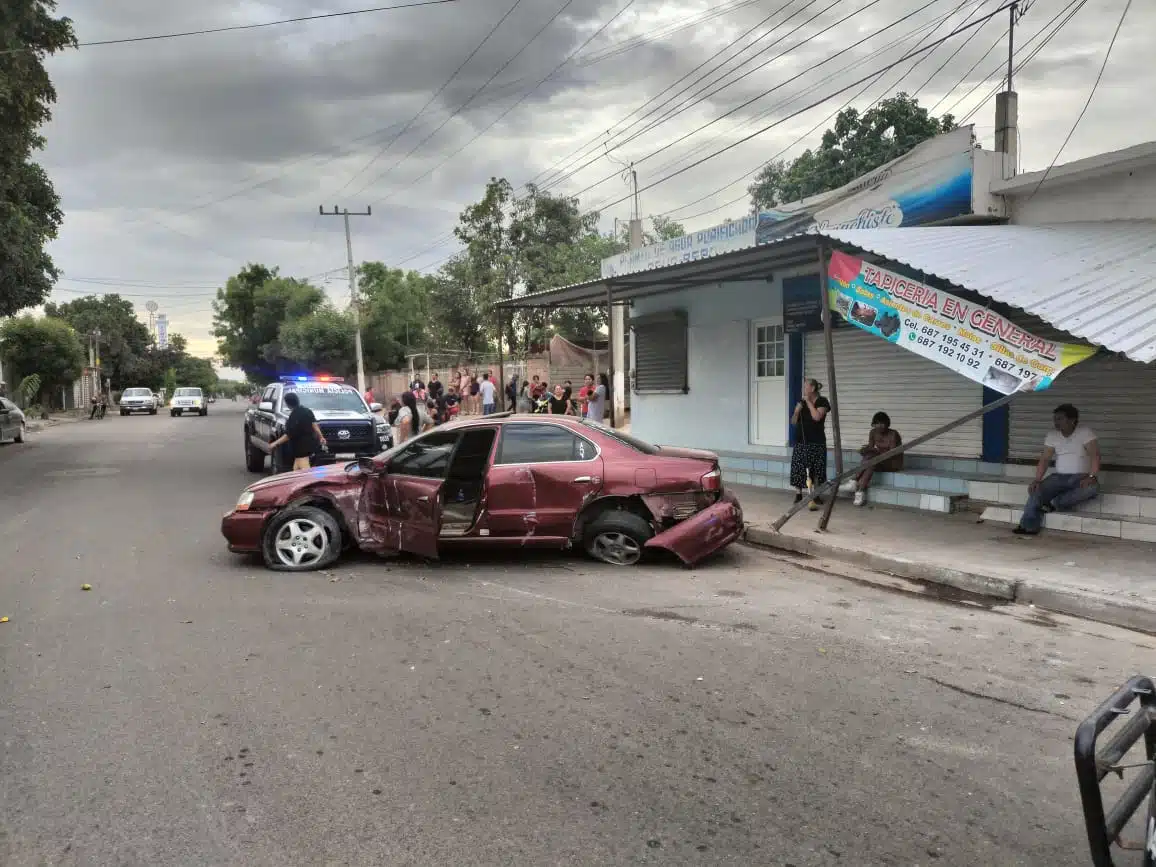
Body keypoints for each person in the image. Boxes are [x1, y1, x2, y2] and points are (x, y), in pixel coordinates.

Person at [1014, 403, 1101, 536]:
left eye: (1060, 419)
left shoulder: (1085, 433)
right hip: (1058, 478)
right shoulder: (1052, 435)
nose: (1056, 422)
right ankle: (1028, 526)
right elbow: (1044, 459)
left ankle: (1055, 503)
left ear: (1072, 420)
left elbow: (1095, 455)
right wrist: (1037, 480)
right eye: (1055, 419)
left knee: (1092, 489)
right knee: (1036, 490)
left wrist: (1091, 476)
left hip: (1080, 477)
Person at [841, 412, 903, 507]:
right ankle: (860, 492)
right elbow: (871, 448)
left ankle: (855, 481)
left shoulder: (893, 434)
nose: (880, 426)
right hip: (877, 461)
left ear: (887, 424)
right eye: (877, 423)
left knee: (872, 459)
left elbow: (892, 454)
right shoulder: (873, 432)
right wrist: (864, 450)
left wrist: (874, 451)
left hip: (892, 463)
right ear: (873, 424)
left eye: (882, 423)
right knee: (870, 460)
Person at [790, 378, 832, 511]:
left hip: (817, 440)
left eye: (806, 387)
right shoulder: (801, 402)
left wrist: (808, 402)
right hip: (802, 440)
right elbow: (793, 422)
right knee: (799, 467)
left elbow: (817, 417)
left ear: (812, 388)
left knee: (817, 468)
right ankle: (798, 494)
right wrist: (797, 411)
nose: (803, 389)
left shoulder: (822, 401)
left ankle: (816, 494)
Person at [269, 391, 326, 472]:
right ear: (297, 400)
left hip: (300, 448)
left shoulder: (294, 416)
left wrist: (275, 443)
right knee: (296, 470)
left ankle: (308, 484)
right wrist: (321, 437)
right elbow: (315, 425)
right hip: (308, 445)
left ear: (288, 404)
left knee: (304, 472)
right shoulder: (307, 411)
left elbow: (289, 435)